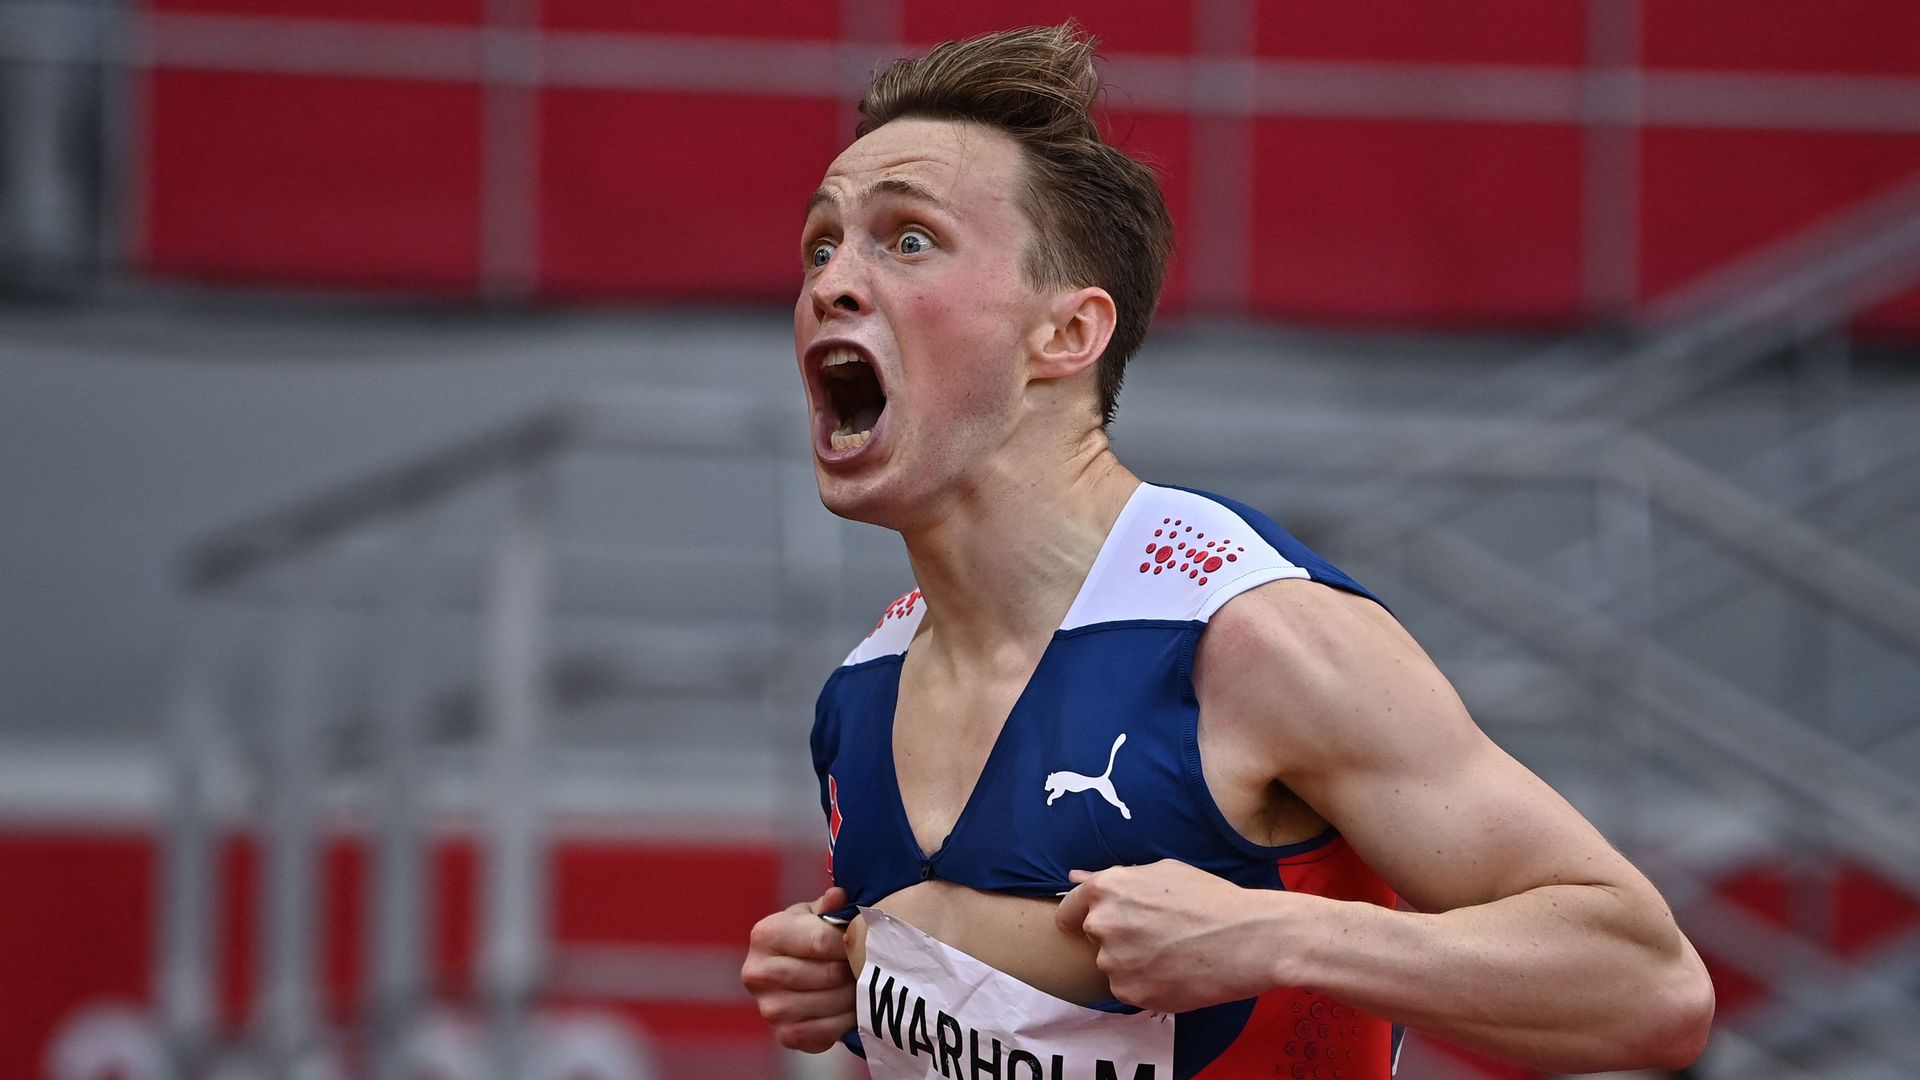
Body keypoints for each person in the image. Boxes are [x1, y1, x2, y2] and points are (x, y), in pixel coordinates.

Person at [741, 23, 1714, 1079]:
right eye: (822, 245)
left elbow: (1651, 988)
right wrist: (864, 979)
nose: (832, 283)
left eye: (909, 239)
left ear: (1065, 336)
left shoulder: (1253, 637)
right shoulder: (861, 696)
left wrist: (1284, 937)